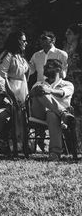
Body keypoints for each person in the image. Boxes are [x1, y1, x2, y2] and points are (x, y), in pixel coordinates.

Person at [29, 59, 75, 160]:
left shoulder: (67, 84)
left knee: (52, 114)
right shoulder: (39, 83)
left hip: (55, 117)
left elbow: (63, 93)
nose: (45, 68)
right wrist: (40, 90)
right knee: (39, 90)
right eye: (45, 66)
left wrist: (49, 90)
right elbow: (30, 95)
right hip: (39, 113)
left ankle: (54, 153)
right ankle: (63, 113)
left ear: (58, 69)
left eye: (49, 67)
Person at [0, 31, 30, 150]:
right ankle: (12, 144)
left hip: (23, 88)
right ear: (16, 41)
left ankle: (23, 143)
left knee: (23, 117)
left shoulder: (20, 56)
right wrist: (11, 95)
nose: (26, 43)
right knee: (14, 116)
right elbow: (2, 77)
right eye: (23, 40)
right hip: (11, 88)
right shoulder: (7, 55)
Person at [64, 23, 82, 154]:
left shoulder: (79, 51)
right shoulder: (68, 50)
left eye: (69, 32)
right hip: (71, 87)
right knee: (73, 116)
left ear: (77, 35)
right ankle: (75, 147)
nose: (66, 35)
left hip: (79, 86)